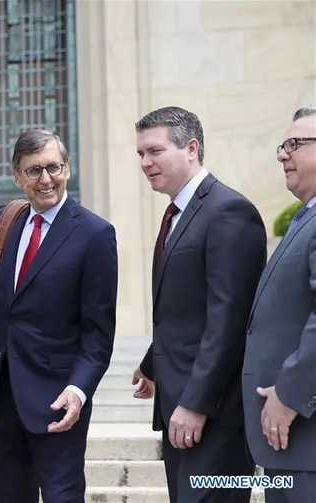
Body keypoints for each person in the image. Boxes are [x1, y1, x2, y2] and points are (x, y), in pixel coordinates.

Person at [0, 129, 118, 503]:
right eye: (34, 170)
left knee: (63, 497)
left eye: (53, 168)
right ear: (18, 176)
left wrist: (78, 390)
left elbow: (98, 334)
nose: (46, 179)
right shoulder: (5, 220)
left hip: (58, 399)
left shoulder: (95, 234)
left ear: (67, 169)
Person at [131, 106, 266, 502]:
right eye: (140, 153)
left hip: (213, 415)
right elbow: (188, 307)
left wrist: (196, 403)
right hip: (178, 406)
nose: (145, 162)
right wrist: (153, 363)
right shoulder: (178, 212)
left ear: (191, 148)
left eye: (155, 151)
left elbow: (230, 318)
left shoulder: (228, 211)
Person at [242, 107, 316, 502]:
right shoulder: (304, 219)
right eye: (282, 146)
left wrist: (289, 395)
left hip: (304, 436)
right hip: (291, 445)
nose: (282, 154)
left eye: (295, 144)